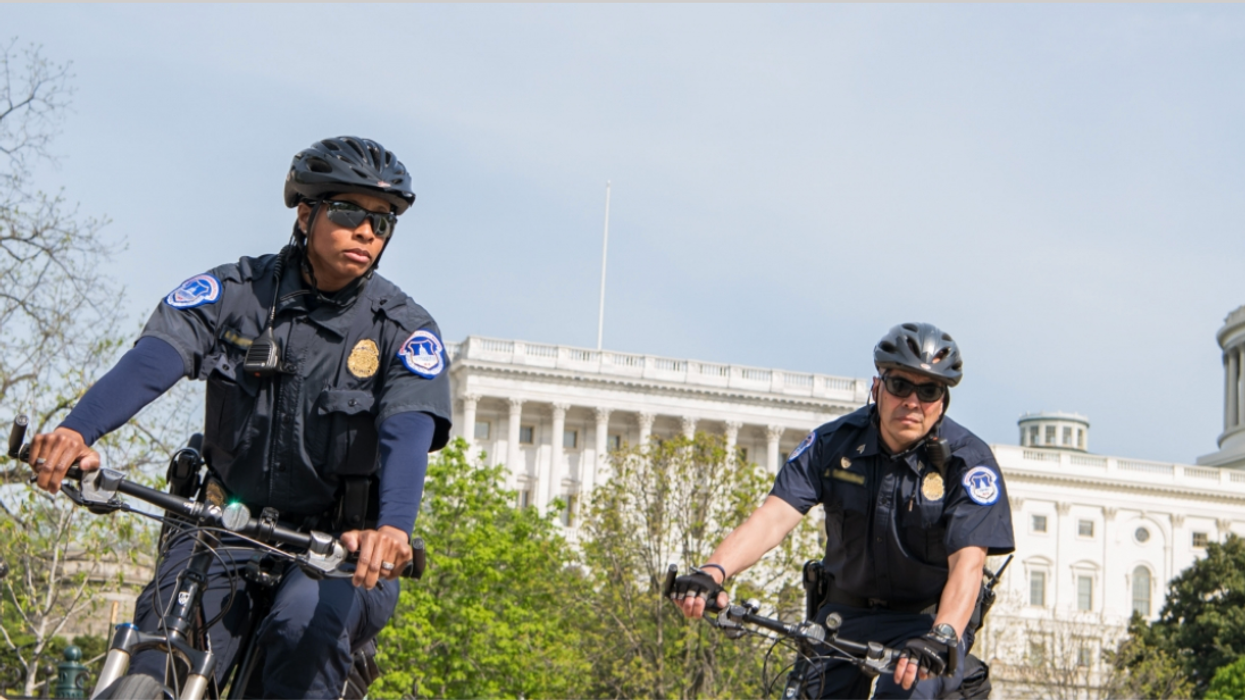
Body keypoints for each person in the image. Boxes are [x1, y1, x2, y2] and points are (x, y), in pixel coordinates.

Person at [25, 136, 452, 698]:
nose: (368, 231)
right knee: (157, 657)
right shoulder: (234, 293)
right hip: (220, 526)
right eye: (349, 212)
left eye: (383, 221)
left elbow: (408, 429)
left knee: (305, 628)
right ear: (306, 213)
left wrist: (392, 528)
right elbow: (157, 356)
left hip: (335, 552)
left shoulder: (402, 328)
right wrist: (78, 430)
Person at [671, 323, 1014, 699]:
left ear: (942, 401)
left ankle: (956, 675)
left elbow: (967, 564)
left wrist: (942, 635)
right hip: (843, 616)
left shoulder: (969, 463)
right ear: (877, 386)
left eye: (929, 390)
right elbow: (772, 517)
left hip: (924, 623)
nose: (912, 401)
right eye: (900, 385)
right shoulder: (833, 444)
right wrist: (713, 570)